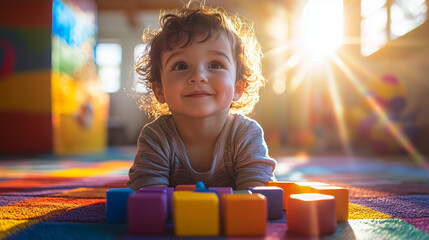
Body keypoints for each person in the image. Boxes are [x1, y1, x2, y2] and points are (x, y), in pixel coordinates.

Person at [127, 2, 277, 191]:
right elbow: (150, 201)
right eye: (181, 66)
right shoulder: (156, 137)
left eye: (215, 64)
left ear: (238, 87)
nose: (198, 76)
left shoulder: (246, 134)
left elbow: (257, 198)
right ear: (159, 90)